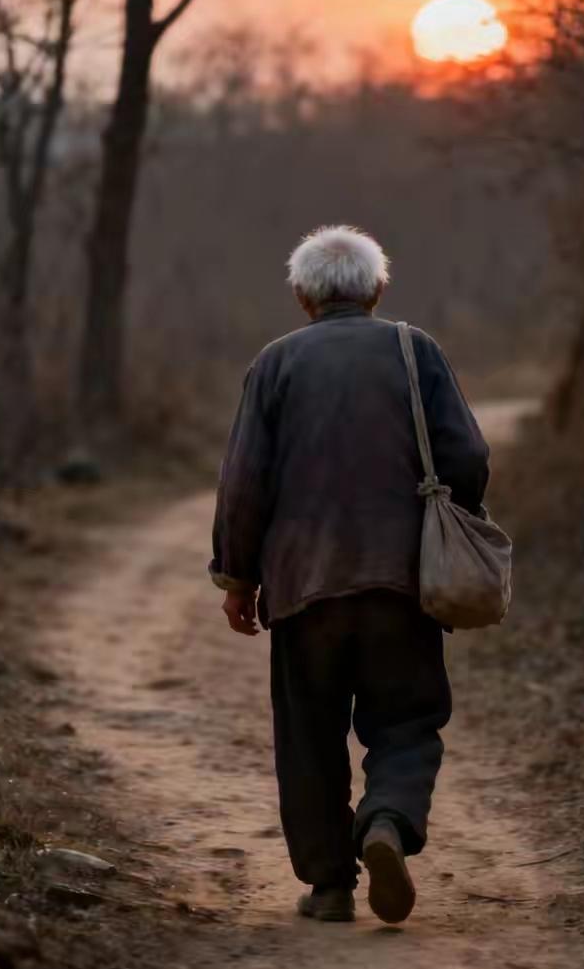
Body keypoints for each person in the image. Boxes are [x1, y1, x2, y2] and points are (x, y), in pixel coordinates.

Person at [209, 225, 490, 925]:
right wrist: (454, 522)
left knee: (309, 733)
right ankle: (388, 822)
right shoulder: (413, 348)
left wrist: (237, 576)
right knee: (408, 717)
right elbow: (469, 455)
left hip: (304, 587)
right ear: (376, 290)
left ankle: (330, 885)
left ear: (303, 295)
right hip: (400, 582)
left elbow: (243, 485)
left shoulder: (273, 364)